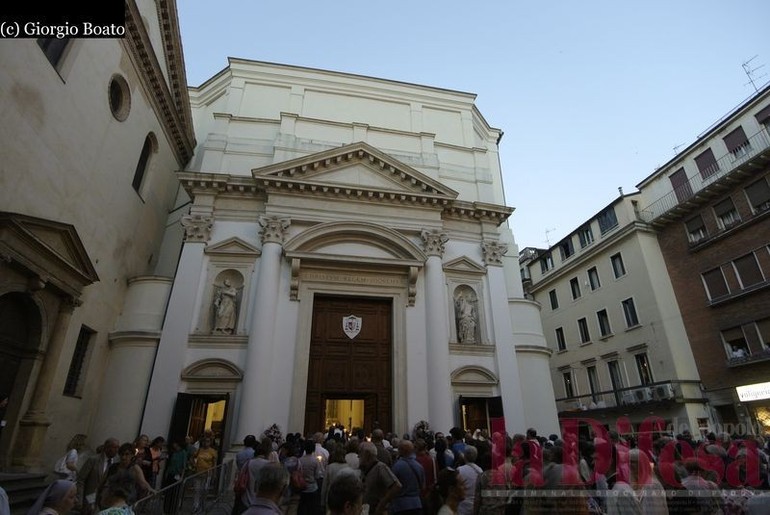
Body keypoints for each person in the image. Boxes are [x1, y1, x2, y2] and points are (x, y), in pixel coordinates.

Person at [77, 437, 119, 515]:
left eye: (117, 447)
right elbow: (81, 480)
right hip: (89, 497)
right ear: (107, 447)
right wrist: (80, 499)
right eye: (114, 447)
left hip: (104, 500)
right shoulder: (93, 460)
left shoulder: (116, 463)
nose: (116, 450)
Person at [358, 441, 401, 515]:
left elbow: (396, 486)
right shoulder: (364, 469)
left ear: (367, 454)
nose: (358, 456)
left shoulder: (380, 467)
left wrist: (381, 505)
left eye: (360, 453)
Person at [390, 440, 425, 515]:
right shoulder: (419, 466)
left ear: (401, 450)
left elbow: (392, 486)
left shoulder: (397, 466)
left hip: (400, 505)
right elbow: (423, 486)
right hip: (417, 504)